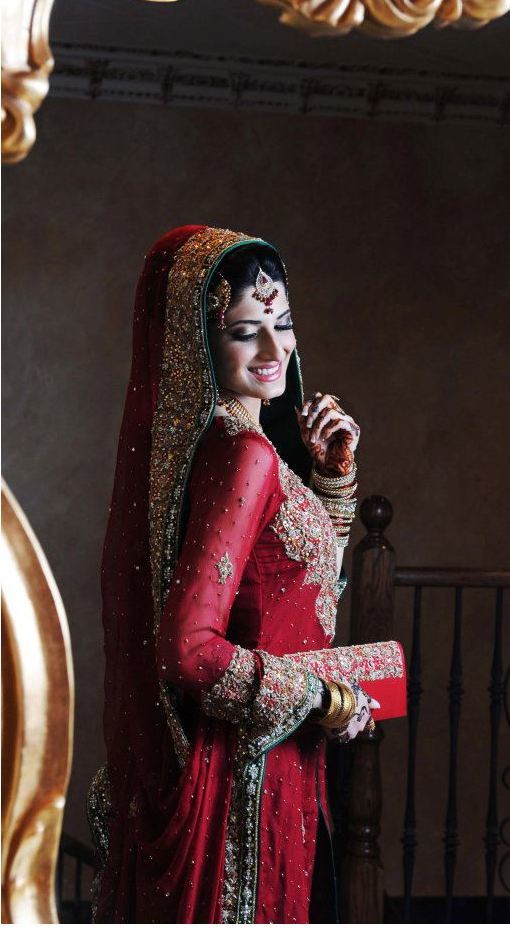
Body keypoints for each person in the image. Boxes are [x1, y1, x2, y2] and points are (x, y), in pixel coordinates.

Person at [88, 224, 379, 924]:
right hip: (244, 774)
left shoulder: (235, 446)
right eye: (247, 332)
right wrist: (324, 698)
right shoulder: (243, 454)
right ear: (198, 343)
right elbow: (188, 650)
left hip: (270, 756)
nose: (277, 350)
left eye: (283, 323)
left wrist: (331, 483)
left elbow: (290, 589)